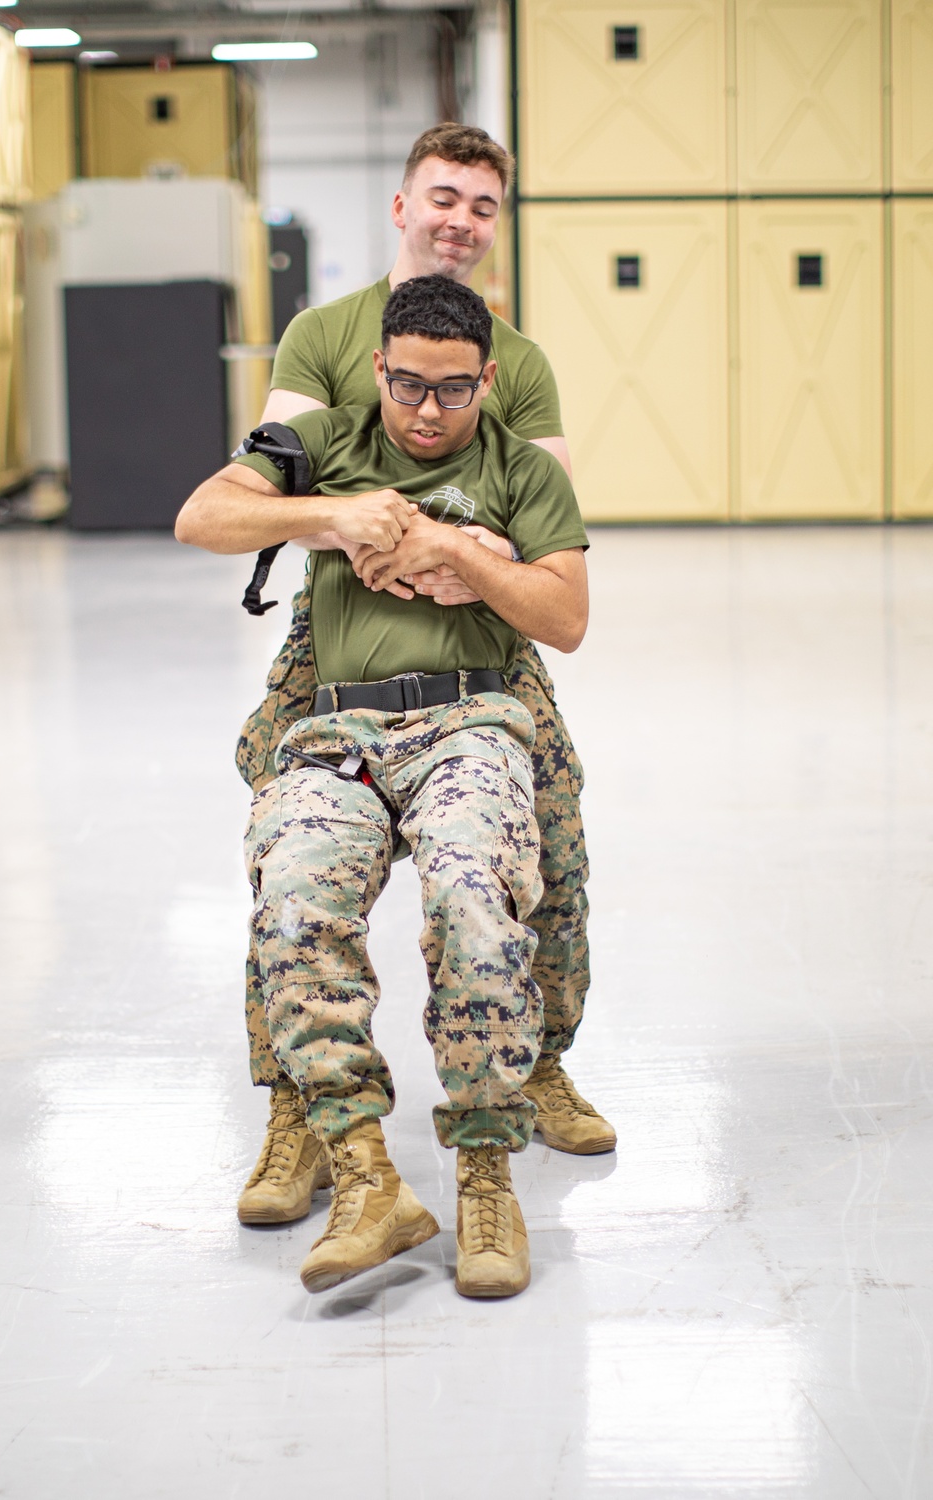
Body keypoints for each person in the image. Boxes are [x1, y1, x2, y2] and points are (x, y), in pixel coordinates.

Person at [177, 276, 590, 1298]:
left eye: (453, 391)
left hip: (471, 718)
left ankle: (484, 1171)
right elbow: (203, 517)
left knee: (474, 903)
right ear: (377, 368)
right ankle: (366, 1175)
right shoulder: (321, 438)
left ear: (487, 382)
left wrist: (455, 547)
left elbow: (566, 615)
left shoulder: (521, 470)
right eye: (408, 384)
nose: (426, 410)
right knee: (294, 902)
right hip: (338, 725)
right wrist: (336, 514)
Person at [235, 123, 614, 1232]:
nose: (459, 220)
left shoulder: (518, 356)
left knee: (541, 859)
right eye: (441, 197)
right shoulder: (325, 335)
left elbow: (542, 517)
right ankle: (301, 1110)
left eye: (481, 207)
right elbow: (260, 487)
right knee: (284, 863)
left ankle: (532, 1062)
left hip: (483, 655)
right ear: (400, 205)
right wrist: (344, 520)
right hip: (337, 655)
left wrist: (467, 557)